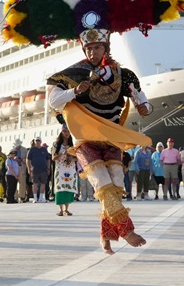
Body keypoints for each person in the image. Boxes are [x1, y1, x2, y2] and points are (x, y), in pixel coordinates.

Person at [47, 25, 152, 254]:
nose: (92, 52)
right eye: (89, 48)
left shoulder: (124, 75)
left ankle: (106, 235)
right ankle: (127, 231)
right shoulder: (74, 73)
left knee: (116, 185)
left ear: (106, 48)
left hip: (111, 138)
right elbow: (52, 101)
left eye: (97, 48)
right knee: (102, 184)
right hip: (85, 140)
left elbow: (140, 97)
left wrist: (145, 107)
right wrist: (75, 91)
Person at [51, 126, 76, 215]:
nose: (67, 133)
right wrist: (62, 153)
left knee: (69, 187)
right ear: (62, 132)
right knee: (60, 187)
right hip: (60, 169)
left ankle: (66, 209)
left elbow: (77, 158)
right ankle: (60, 209)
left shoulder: (73, 145)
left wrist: (72, 158)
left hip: (70, 169)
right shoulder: (56, 144)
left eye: (68, 131)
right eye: (65, 131)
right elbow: (53, 158)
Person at [27, 137, 49, 203]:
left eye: (39, 140)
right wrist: (29, 168)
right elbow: (28, 159)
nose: (38, 142)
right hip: (34, 169)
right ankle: (35, 198)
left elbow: (48, 159)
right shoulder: (32, 150)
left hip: (43, 169)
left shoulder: (44, 149)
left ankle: (41, 198)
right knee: (35, 183)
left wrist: (48, 168)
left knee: (43, 183)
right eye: (36, 141)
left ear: (41, 141)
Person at [13, 138, 29, 202]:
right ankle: (15, 196)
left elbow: (28, 159)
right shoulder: (12, 150)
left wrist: (21, 160)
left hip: (22, 167)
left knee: (22, 183)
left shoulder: (25, 150)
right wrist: (14, 159)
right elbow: (9, 159)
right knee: (14, 183)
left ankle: (22, 196)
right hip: (14, 168)